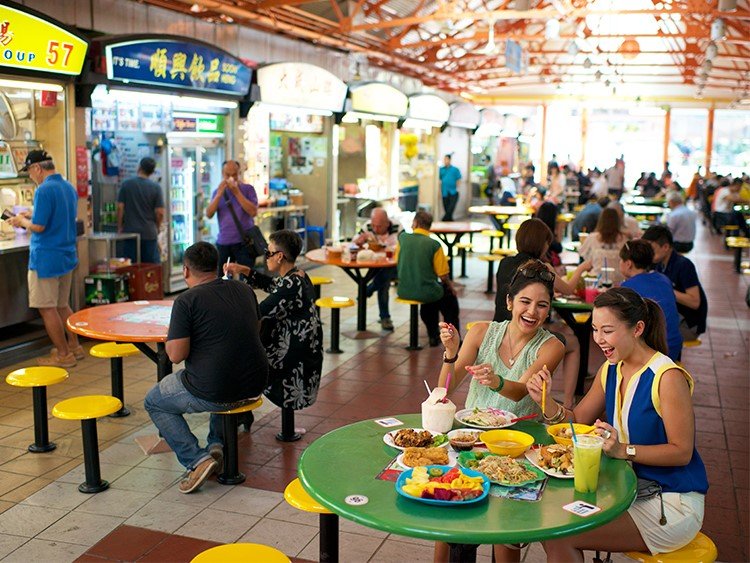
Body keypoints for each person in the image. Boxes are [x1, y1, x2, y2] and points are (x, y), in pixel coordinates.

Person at [527, 287, 707, 562]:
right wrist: (546, 400)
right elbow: (576, 420)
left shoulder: (667, 376)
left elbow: (681, 451)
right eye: (596, 329)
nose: (599, 339)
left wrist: (624, 450)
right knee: (550, 521)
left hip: (671, 502)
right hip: (628, 490)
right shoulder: (611, 368)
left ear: (637, 329)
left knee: (561, 532)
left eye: (607, 331)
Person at [435, 259, 565, 563]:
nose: (532, 311)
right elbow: (445, 390)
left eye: (542, 305)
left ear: (549, 310)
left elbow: (522, 389)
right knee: (450, 520)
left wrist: (495, 381)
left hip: (517, 447)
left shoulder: (551, 346)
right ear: (509, 302)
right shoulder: (481, 333)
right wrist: (451, 354)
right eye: (525, 301)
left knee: (504, 529)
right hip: (471, 441)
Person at [144, 242, 268, 494]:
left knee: (155, 401)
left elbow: (176, 355)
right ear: (217, 264)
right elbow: (252, 331)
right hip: (256, 383)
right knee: (215, 368)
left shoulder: (186, 301)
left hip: (218, 390)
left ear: (186, 271)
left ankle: (196, 460)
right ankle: (216, 445)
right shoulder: (243, 290)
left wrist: (174, 336)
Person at [493, 219, 592, 409]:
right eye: (547, 242)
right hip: (523, 333)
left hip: (499, 328)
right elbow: (570, 289)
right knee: (573, 343)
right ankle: (569, 401)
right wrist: (581, 268)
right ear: (542, 243)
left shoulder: (504, 263)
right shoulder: (541, 269)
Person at [224, 230, 323, 419]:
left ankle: (239, 414)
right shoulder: (298, 275)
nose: (265, 256)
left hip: (293, 354)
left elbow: (260, 310)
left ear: (279, 256)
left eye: (268, 253)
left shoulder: (291, 284)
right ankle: (243, 414)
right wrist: (244, 270)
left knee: (241, 360)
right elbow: (273, 286)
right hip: (304, 347)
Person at [9, 150, 82, 367]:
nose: (31, 176)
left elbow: (39, 227)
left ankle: (63, 355)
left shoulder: (43, 190)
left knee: (47, 308)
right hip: (66, 255)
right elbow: (57, 214)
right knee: (62, 305)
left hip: (46, 259)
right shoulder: (68, 187)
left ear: (38, 168)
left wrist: (21, 222)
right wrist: (30, 214)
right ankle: (75, 347)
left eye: (30, 171)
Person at [396, 210, 459, 347]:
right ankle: (452, 337)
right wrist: (451, 287)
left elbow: (397, 261)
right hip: (425, 290)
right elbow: (443, 275)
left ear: (415, 223)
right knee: (448, 298)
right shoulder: (434, 245)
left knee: (431, 298)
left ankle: (433, 335)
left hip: (403, 289)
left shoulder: (402, 239)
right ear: (429, 226)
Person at [620, 239, 683, 361]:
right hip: (675, 346)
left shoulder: (628, 288)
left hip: (655, 352)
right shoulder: (663, 278)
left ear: (628, 264)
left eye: (621, 260)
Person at [642, 225, 707, 341]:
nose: (648, 253)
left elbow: (694, 302)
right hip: (673, 318)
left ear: (666, 247)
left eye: (651, 249)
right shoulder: (658, 263)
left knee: (648, 337)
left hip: (689, 325)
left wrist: (666, 290)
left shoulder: (684, 265)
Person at [205, 160, 259, 273]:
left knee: (246, 279)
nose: (231, 178)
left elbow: (253, 212)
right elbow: (209, 214)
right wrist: (219, 194)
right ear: (222, 174)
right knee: (222, 279)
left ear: (239, 173)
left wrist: (237, 192)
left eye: (234, 174)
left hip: (244, 242)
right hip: (224, 242)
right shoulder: (217, 192)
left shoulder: (248, 189)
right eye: (227, 175)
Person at [353, 208, 399, 330]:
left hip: (394, 266)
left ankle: (367, 290)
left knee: (384, 278)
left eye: (379, 226)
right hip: (375, 265)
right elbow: (354, 241)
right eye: (373, 225)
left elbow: (404, 245)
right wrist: (359, 241)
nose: (375, 229)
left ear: (387, 223)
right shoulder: (367, 226)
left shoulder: (397, 226)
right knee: (383, 282)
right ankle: (385, 318)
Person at [117, 157, 165, 264]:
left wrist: (120, 227)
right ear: (152, 172)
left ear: (139, 167)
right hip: (149, 233)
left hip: (130, 233)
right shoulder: (156, 188)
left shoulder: (126, 185)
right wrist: (156, 227)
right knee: (150, 268)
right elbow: (160, 212)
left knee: (131, 267)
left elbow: (120, 208)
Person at [579, 208, 628, 286]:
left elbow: (583, 256)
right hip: (619, 284)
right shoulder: (624, 239)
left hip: (596, 282)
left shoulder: (592, 238)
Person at [438, 154, 461, 221]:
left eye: (447, 159)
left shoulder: (455, 169)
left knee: (450, 209)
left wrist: (457, 188)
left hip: (453, 192)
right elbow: (439, 180)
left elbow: (458, 179)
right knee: (446, 208)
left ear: (450, 160)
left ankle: (444, 220)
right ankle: (449, 222)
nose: (445, 161)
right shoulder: (441, 170)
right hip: (444, 192)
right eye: (444, 159)